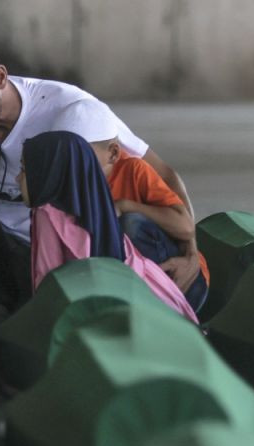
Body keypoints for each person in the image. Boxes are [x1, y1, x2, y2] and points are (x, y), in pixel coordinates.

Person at [0, 31, 199, 313]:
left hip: (59, 249)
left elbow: (164, 173)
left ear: (0, 77)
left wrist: (191, 253)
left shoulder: (72, 111)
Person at [18, 130, 198, 323]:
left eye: (24, 169)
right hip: (159, 298)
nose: (17, 178)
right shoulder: (95, 199)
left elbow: (48, 287)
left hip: (129, 310)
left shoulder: (46, 213)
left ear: (46, 172)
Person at [57, 98, 209, 311]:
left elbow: (186, 227)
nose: (74, 166)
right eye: (68, 157)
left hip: (182, 283)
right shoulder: (72, 183)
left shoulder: (134, 171)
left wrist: (128, 206)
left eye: (83, 157)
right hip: (124, 284)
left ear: (113, 153)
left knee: (130, 224)